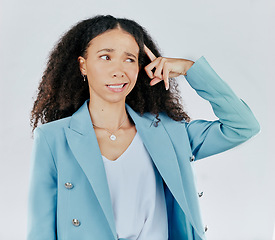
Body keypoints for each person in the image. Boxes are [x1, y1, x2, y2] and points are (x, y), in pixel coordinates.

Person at [28, 15, 260, 240]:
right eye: (106, 57)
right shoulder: (53, 138)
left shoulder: (170, 132)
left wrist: (190, 69)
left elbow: (242, 126)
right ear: (83, 65)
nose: (119, 70)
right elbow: (40, 229)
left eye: (129, 59)